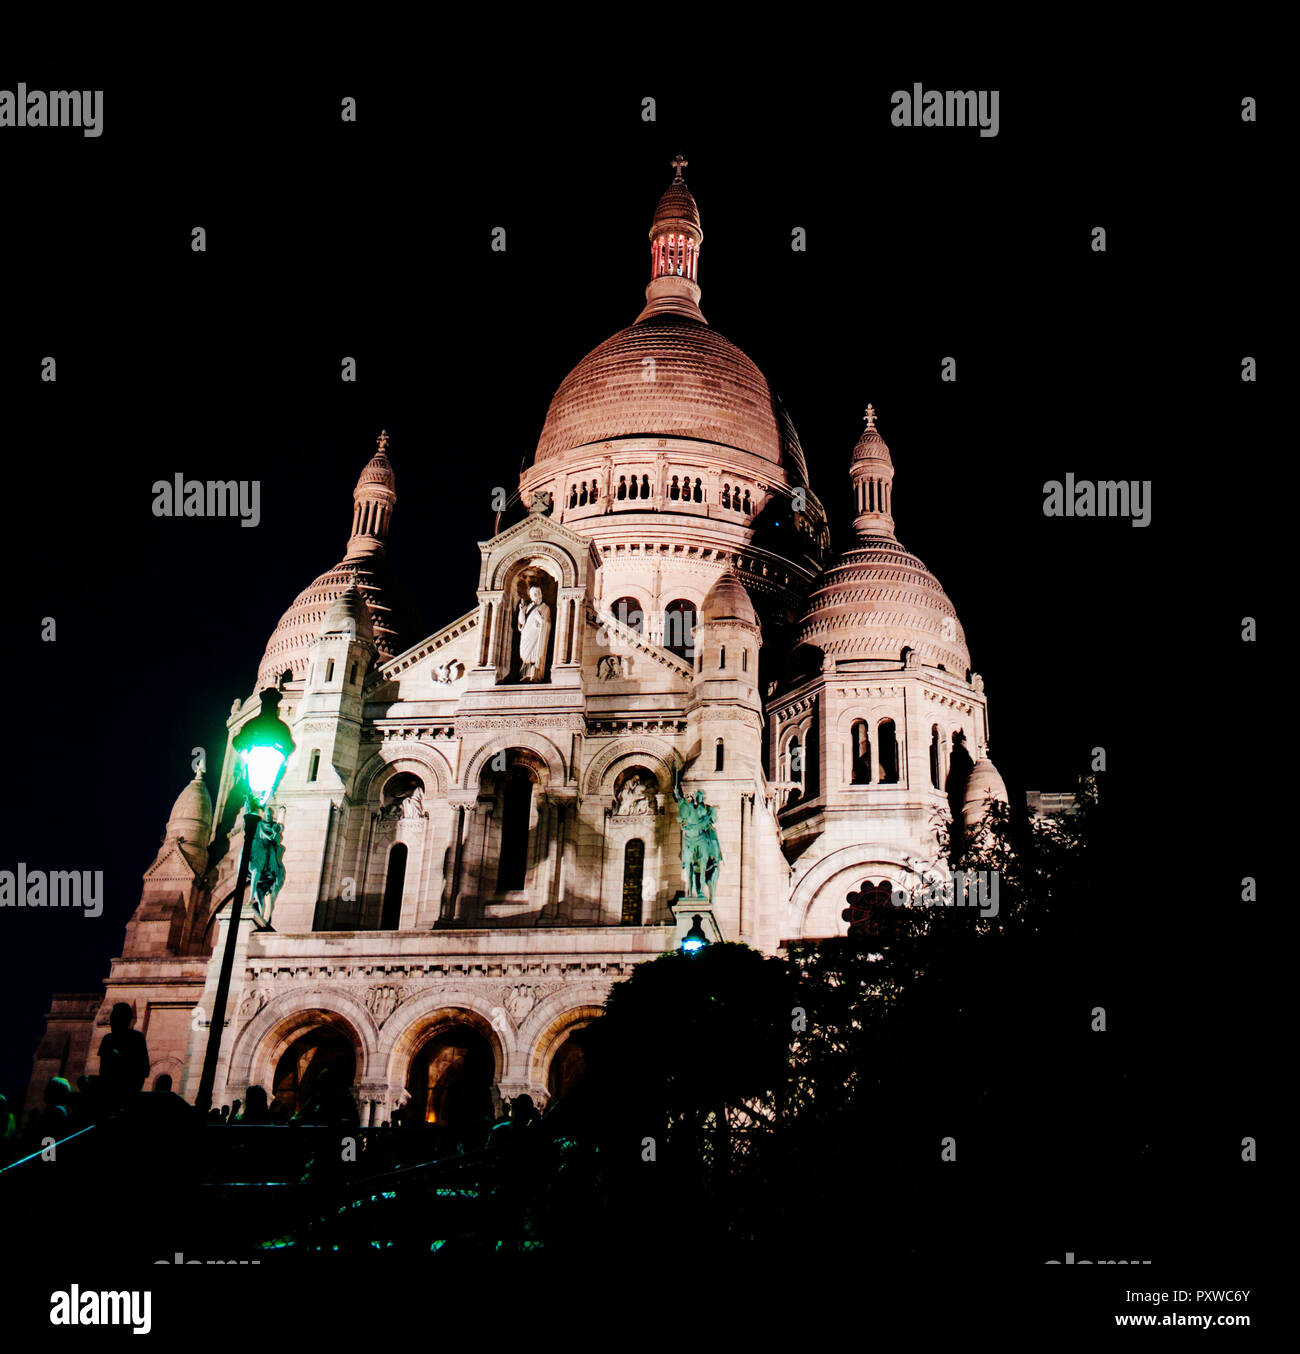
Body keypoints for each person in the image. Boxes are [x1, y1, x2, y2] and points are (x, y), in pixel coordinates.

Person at [96, 1003, 150, 1112]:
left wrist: (122, 1061)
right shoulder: (108, 1039)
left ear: (124, 1020)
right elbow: (102, 1070)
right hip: (108, 1096)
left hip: (127, 1096)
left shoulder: (136, 1039)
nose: (111, 1021)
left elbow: (144, 1070)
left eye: (115, 1017)